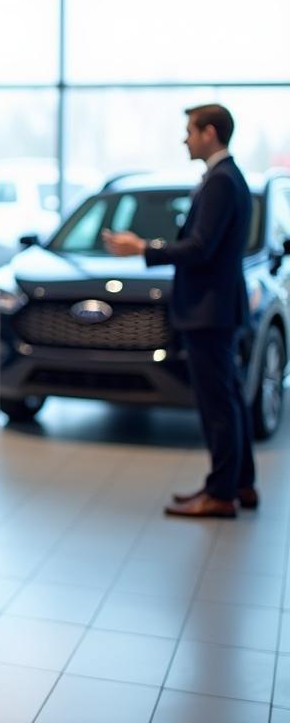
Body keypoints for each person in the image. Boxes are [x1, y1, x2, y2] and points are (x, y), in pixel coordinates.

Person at [104, 103, 255, 519]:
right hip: (217, 306)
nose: (184, 139)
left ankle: (222, 493)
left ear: (209, 133)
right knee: (229, 398)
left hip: (209, 309)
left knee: (217, 404)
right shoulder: (225, 177)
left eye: (189, 131)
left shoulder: (222, 180)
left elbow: (200, 247)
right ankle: (240, 483)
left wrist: (143, 248)